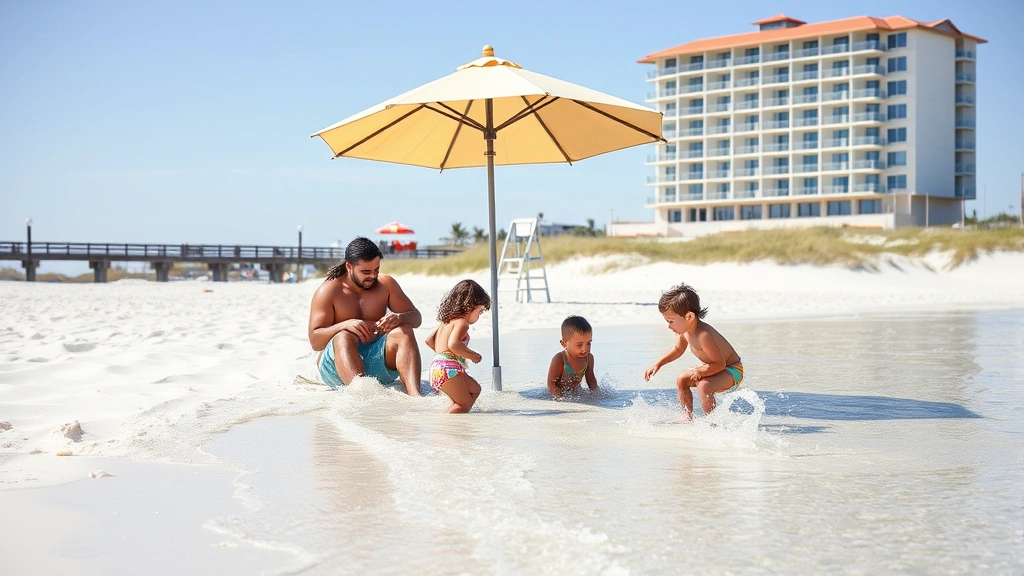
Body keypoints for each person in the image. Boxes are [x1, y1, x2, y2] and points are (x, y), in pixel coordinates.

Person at [308, 237, 422, 396]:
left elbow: (416, 318)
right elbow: (315, 341)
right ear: (349, 266)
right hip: (338, 367)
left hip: (377, 361)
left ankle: (415, 395)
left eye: (377, 270)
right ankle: (362, 395)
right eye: (366, 272)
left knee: (404, 330)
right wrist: (344, 325)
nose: (373, 276)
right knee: (343, 336)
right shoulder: (329, 291)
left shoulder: (386, 284)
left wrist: (399, 318)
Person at [643, 283, 742, 420]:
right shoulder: (686, 331)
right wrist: (658, 364)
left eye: (671, 321)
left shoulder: (704, 335)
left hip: (733, 370)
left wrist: (702, 371)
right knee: (682, 379)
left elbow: (720, 364)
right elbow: (678, 350)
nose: (668, 326)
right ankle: (687, 416)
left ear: (689, 317)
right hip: (716, 367)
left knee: (703, 385)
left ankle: (712, 422)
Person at [424, 280, 490, 413]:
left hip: (440, 367)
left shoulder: (447, 321)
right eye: (480, 312)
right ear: (469, 306)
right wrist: (473, 355)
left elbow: (429, 340)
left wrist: (443, 355)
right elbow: (454, 344)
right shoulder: (462, 323)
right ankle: (446, 423)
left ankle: (458, 420)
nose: (479, 316)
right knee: (463, 404)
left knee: (475, 390)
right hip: (448, 370)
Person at [546, 315, 598, 398]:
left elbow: (591, 379)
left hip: (575, 393)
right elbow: (551, 383)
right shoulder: (560, 359)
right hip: (558, 394)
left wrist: (597, 395)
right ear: (564, 344)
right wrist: (560, 399)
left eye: (588, 343)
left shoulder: (589, 358)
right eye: (579, 345)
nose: (585, 349)